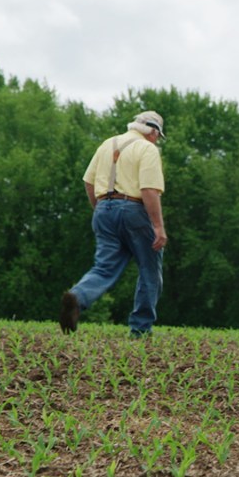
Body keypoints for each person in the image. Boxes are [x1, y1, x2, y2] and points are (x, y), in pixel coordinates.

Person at [60, 110, 168, 337]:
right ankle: (140, 329)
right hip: (133, 210)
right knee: (149, 270)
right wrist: (158, 227)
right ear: (153, 132)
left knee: (105, 267)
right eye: (158, 134)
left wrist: (101, 209)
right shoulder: (147, 149)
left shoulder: (107, 144)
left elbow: (89, 183)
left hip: (103, 208)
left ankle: (78, 297)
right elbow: (149, 190)